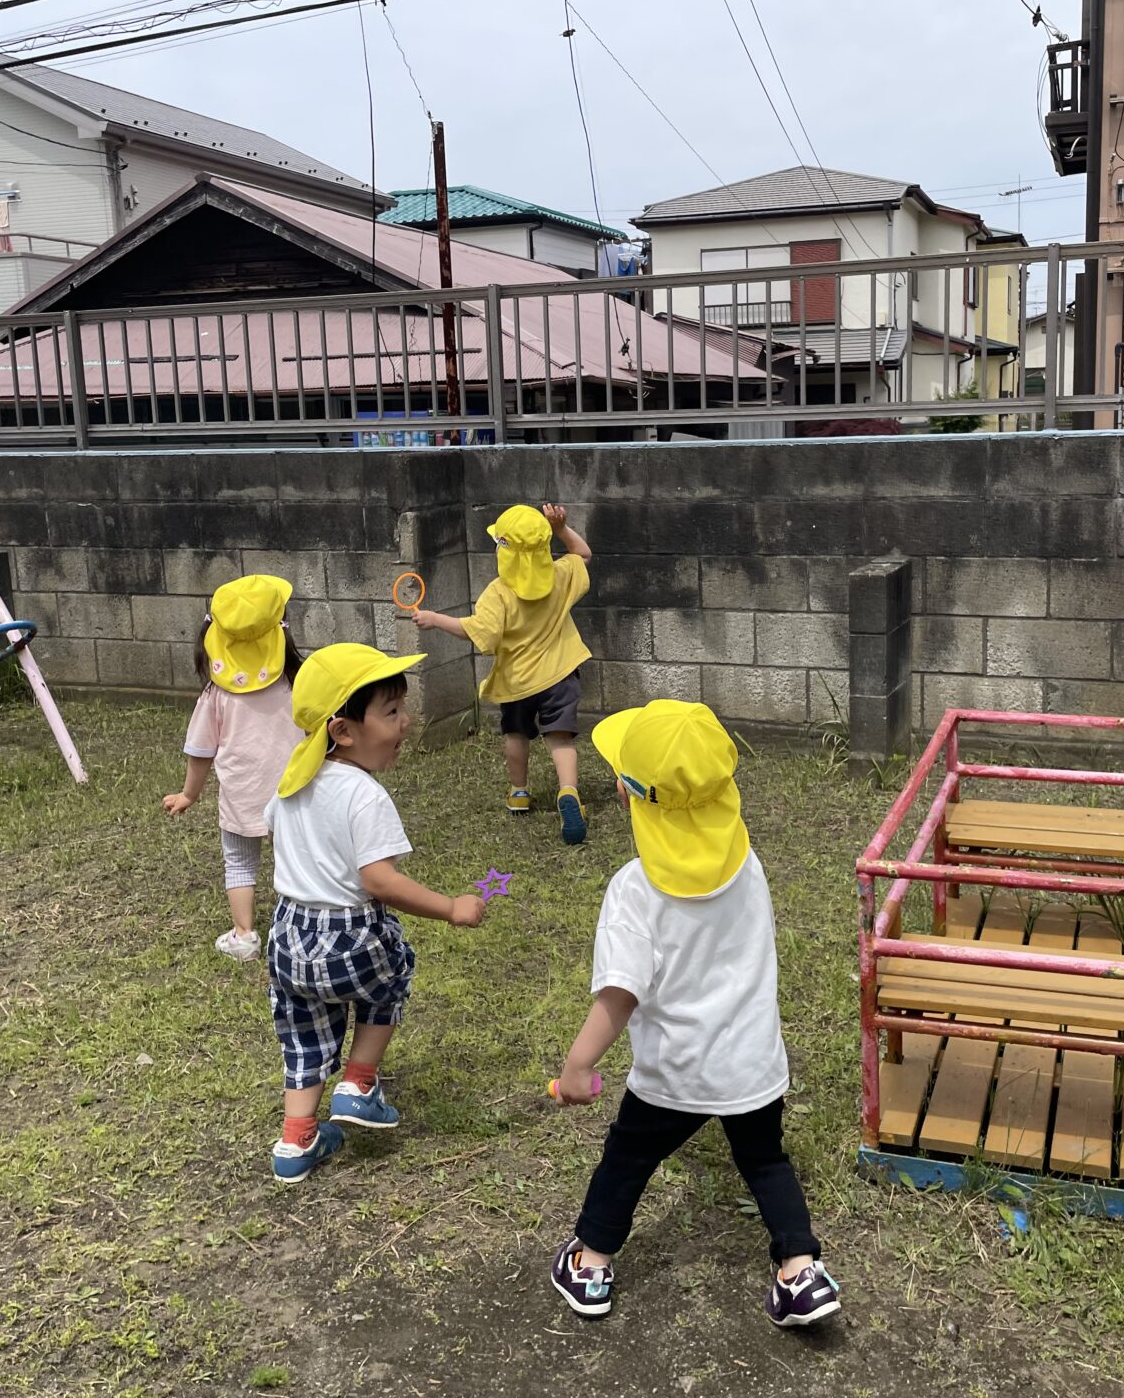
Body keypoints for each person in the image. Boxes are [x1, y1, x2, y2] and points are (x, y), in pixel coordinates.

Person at [548, 699, 840, 1327]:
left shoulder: (634, 889)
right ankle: (801, 1273)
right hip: (752, 1066)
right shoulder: (747, 865)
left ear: (625, 794)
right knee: (765, 1160)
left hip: (674, 1072)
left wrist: (577, 1065)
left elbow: (619, 995)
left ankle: (590, 1264)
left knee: (629, 1158)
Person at [260, 643, 487, 1182]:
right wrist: (451, 907)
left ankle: (296, 1141)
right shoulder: (364, 795)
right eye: (391, 712)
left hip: (289, 936)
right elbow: (379, 881)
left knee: (306, 1034)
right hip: (349, 934)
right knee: (390, 975)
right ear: (343, 731)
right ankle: (359, 1083)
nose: (406, 722)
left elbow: (271, 830)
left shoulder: (293, 782)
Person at [411, 503, 592, 845]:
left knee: (516, 735)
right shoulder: (560, 574)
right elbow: (583, 555)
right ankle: (568, 792)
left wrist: (435, 620)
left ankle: (519, 792)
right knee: (561, 739)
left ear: (505, 552)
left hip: (518, 683)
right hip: (560, 675)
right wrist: (561, 530)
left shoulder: (498, 593)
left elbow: (477, 632)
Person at [163, 574, 303, 962]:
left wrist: (189, 794)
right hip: (293, 795)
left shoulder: (217, 694)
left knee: (239, 862)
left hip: (241, 797)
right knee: (294, 862)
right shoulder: (297, 683)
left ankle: (244, 936)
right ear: (281, 631)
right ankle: (297, 929)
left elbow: (200, 751)